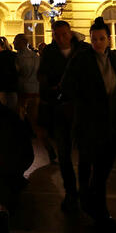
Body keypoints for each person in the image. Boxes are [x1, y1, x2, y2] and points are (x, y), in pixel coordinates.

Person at [61, 17, 116, 233]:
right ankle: (101, 214)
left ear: (108, 39)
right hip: (89, 125)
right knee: (93, 170)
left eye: (101, 38)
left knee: (101, 171)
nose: (98, 42)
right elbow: (68, 87)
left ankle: (91, 205)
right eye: (94, 39)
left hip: (110, 126)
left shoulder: (115, 61)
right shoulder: (81, 60)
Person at [38, 20, 88, 211]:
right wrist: (52, 91)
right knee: (64, 154)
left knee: (84, 154)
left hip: (81, 110)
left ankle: (83, 191)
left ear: (70, 33)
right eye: (56, 35)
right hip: (59, 109)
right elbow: (42, 77)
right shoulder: (49, 52)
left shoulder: (83, 50)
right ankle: (70, 192)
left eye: (63, 34)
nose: (60, 38)